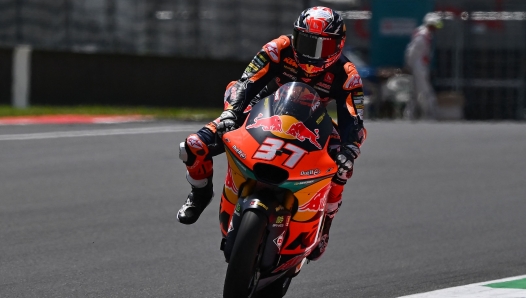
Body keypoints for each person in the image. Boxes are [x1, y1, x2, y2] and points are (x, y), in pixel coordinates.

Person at [176, 6, 367, 261]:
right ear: (295, 36)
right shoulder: (278, 49)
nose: (313, 55)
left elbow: (353, 118)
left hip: (315, 125)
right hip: (265, 112)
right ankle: (200, 193)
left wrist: (349, 148)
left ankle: (325, 225)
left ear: (339, 46)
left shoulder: (347, 75)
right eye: (307, 43)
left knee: (344, 167)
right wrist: (231, 112)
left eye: (323, 47)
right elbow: (245, 82)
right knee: (193, 145)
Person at [404, 12, 443, 120]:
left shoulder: (425, 34)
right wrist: (410, 65)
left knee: (416, 91)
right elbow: (411, 52)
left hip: (420, 65)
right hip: (418, 66)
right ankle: (430, 113)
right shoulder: (422, 35)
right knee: (425, 90)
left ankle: (409, 114)